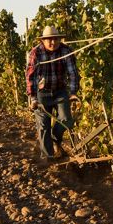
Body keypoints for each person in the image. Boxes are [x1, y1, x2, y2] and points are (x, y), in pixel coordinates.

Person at [25, 25, 79, 161]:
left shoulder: (66, 50)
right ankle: (48, 158)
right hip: (42, 93)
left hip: (60, 91)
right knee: (43, 126)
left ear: (60, 39)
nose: (53, 42)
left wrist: (73, 92)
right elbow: (30, 76)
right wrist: (32, 98)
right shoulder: (35, 53)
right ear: (43, 40)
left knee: (66, 119)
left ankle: (55, 139)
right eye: (49, 39)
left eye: (55, 39)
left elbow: (73, 73)